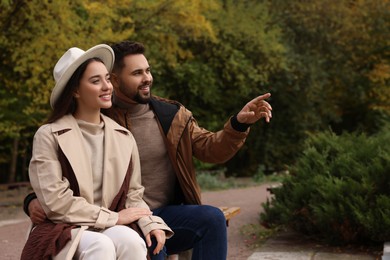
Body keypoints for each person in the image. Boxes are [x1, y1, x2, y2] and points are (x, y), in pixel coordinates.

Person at [25, 40, 272, 259]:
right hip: (115, 215)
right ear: (116, 78)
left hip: (151, 211)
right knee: (135, 241)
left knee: (212, 219)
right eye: (137, 73)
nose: (147, 78)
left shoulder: (170, 116)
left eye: (148, 70)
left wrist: (238, 124)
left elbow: (211, 149)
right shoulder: (93, 113)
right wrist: (32, 200)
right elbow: (54, 176)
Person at [21, 44, 173, 260]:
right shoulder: (49, 135)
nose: (107, 87)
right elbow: (55, 202)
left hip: (108, 224)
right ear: (75, 90)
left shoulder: (123, 137)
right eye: (95, 81)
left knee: (133, 241)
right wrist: (113, 219)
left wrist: (150, 223)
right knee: (100, 246)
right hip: (63, 228)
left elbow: (134, 194)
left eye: (107, 79)